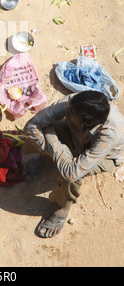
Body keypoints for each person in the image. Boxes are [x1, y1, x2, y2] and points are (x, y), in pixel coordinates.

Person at [22, 90, 124, 238]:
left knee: (72, 178)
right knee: (43, 133)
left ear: (87, 123)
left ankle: (63, 208)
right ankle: (46, 158)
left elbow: (71, 172)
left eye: (70, 114)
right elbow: (32, 126)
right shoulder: (73, 102)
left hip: (106, 155)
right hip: (76, 135)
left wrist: (52, 139)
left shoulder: (109, 134)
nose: (67, 111)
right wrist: (53, 149)